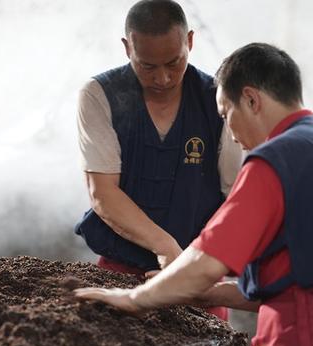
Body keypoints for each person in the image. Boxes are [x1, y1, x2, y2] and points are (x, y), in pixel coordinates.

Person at [75, 43, 313, 346]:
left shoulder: (277, 159)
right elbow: (307, 281)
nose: (230, 134)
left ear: (252, 100)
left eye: (226, 116)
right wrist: (206, 294)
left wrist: (135, 298)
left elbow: (208, 259)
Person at [74, 0, 242, 322]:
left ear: (189, 42)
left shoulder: (218, 99)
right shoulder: (98, 96)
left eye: (174, 63)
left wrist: (193, 264)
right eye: (148, 66)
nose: (163, 78)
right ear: (127, 48)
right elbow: (102, 193)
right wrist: (165, 247)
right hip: (120, 274)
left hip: (197, 278)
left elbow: (233, 196)